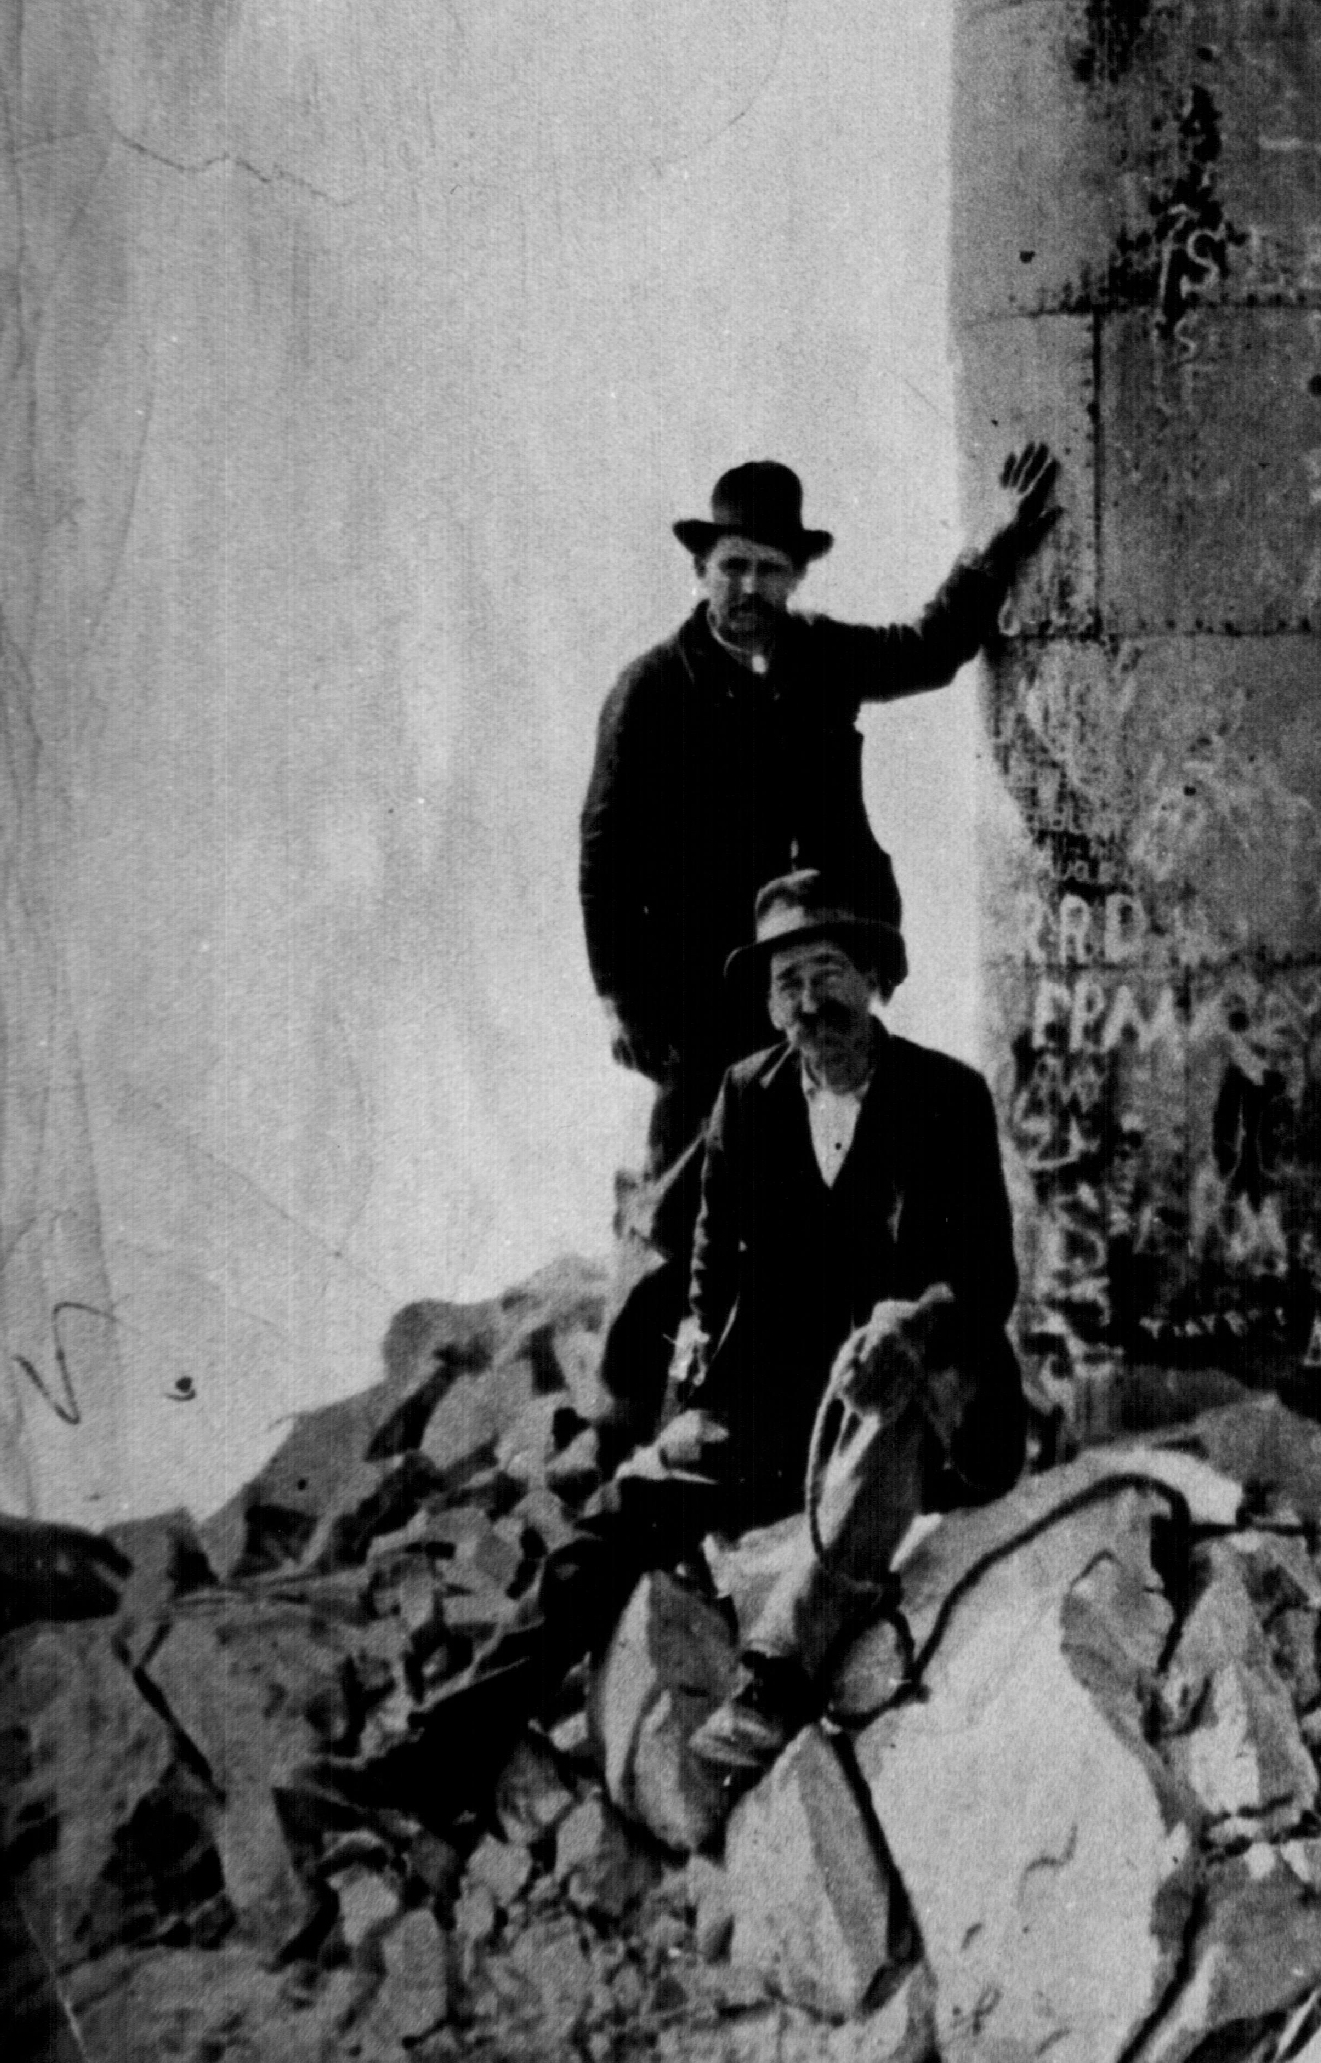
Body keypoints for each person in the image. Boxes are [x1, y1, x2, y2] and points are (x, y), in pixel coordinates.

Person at [354, 868, 1029, 1817]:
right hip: (785, 1414)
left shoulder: (946, 1096)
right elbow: (709, 1280)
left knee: (890, 1379)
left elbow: (986, 1281)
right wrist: (691, 1413)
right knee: (611, 1529)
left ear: (874, 977)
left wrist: (908, 1328)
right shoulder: (745, 1099)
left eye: (828, 972)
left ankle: (777, 1679)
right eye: (786, 982)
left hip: (935, 1413)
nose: (807, 1003)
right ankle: (443, 1756)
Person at [583, 443, 1058, 1439]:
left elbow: (931, 649)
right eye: (732, 567)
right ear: (701, 571)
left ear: (797, 578)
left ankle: (813, 1416)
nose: (748, 587)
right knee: (673, 1215)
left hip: (821, 972)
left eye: (769, 569)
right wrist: (620, 1000)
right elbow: (605, 851)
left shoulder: (820, 657)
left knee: (843, 1178)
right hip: (698, 995)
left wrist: (1001, 544)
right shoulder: (651, 690)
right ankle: (620, 1428)